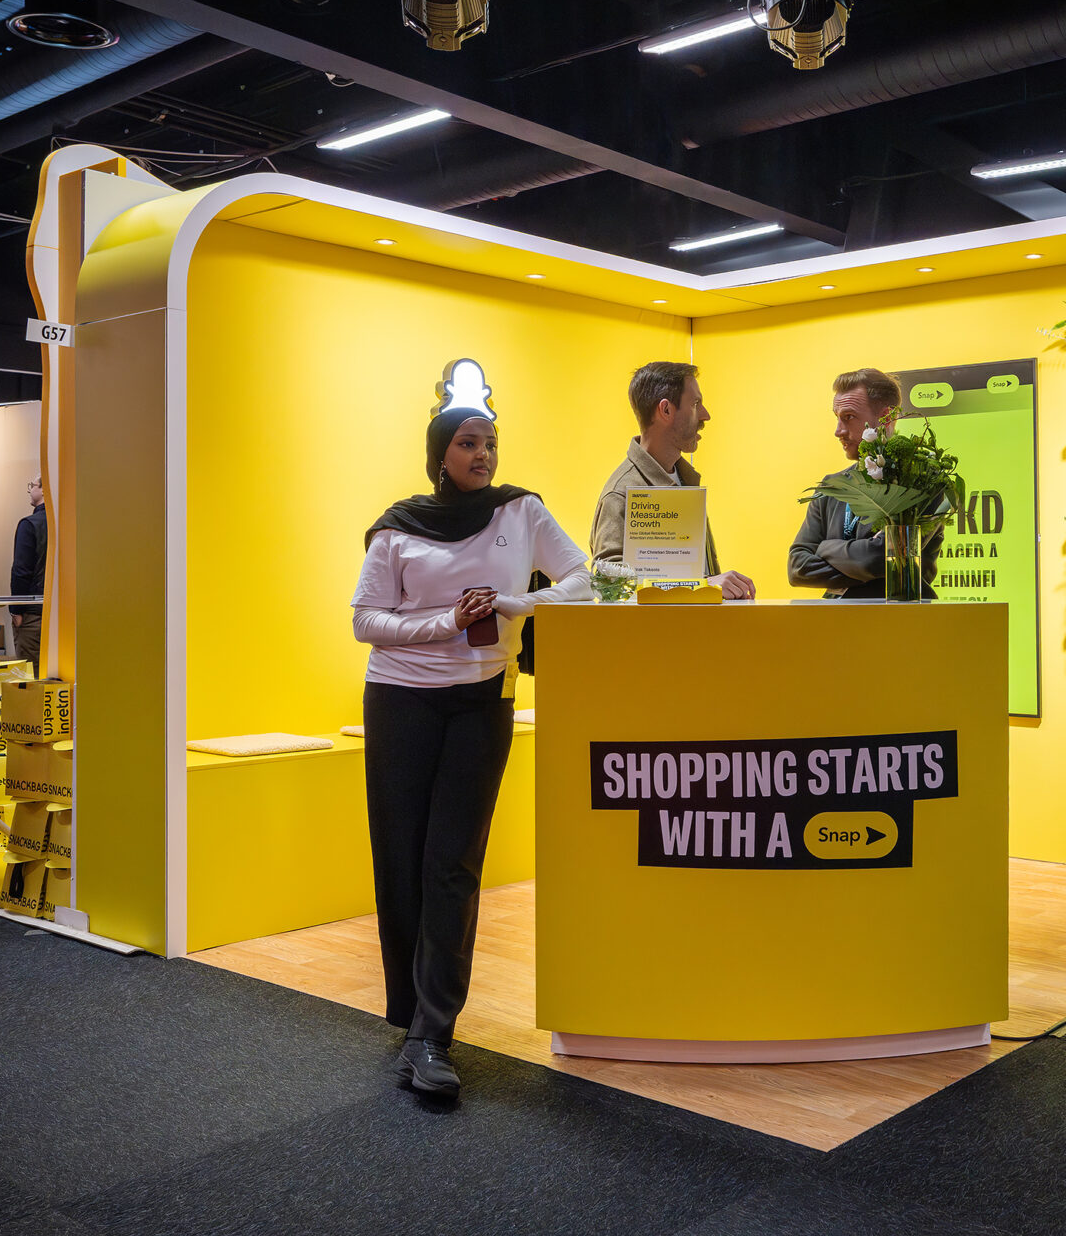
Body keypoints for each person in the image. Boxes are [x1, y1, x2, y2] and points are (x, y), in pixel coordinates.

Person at [352, 406, 593, 1097]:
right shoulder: (399, 526)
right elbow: (367, 622)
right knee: (402, 858)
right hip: (398, 704)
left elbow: (580, 578)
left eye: (489, 443)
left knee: (453, 862)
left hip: (482, 703)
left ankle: (433, 1033)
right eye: (467, 444)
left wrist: (516, 604)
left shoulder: (520, 512)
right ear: (440, 453)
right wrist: (445, 623)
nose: (482, 454)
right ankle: (410, 1014)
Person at [589, 361, 756, 599]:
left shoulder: (685, 480)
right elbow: (609, 585)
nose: (706, 415)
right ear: (665, 410)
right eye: (696, 404)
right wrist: (703, 585)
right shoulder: (620, 493)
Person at [789, 367, 944, 598]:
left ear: (887, 417)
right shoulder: (831, 486)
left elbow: (882, 557)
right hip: (836, 626)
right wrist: (868, 568)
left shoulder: (922, 479)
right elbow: (797, 567)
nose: (838, 431)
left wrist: (825, 548)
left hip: (901, 624)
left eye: (849, 417)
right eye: (837, 418)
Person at [10, 473, 45, 666]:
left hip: (33, 615)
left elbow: (21, 572)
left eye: (32, 485)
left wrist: (17, 610)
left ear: (44, 489)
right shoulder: (68, 522)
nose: (30, 490)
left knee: (33, 679)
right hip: (64, 613)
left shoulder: (29, 525)